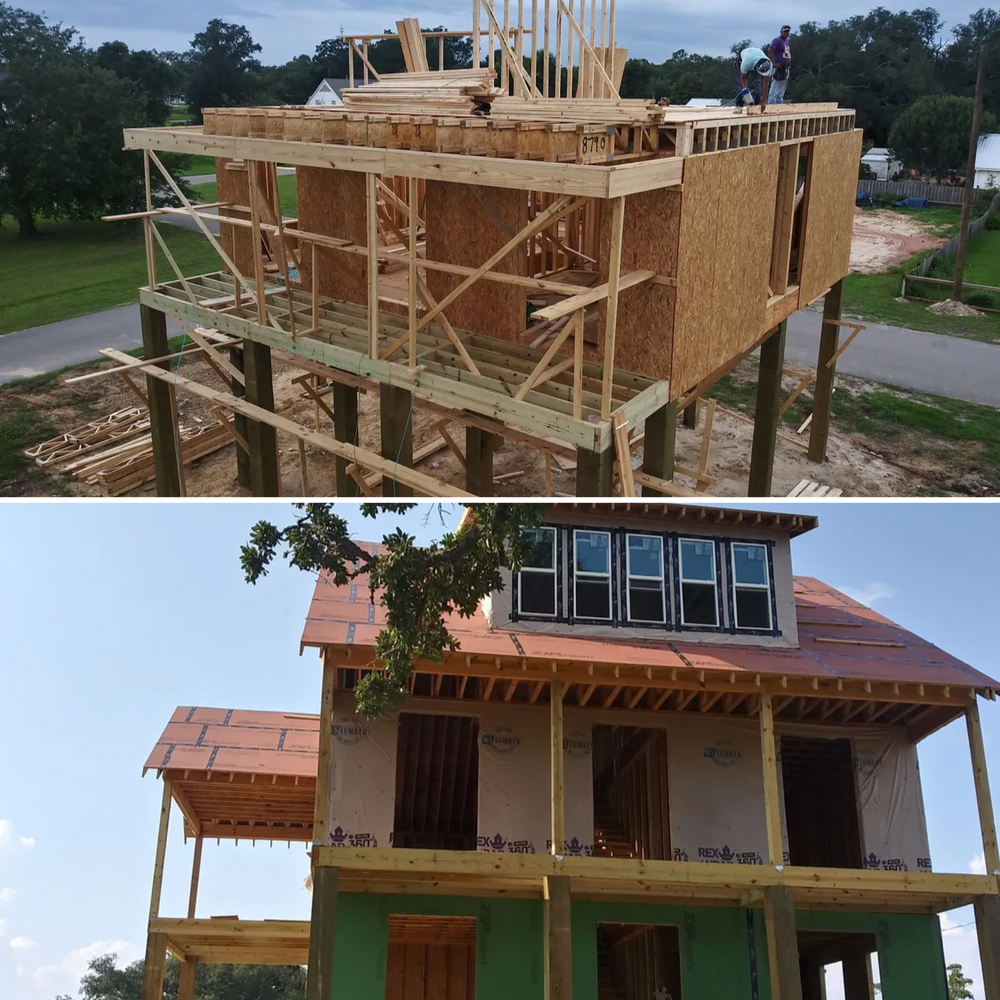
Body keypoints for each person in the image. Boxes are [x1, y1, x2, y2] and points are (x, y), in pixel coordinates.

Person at [734, 45, 772, 111]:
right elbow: (743, 77)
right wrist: (746, 92)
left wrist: (763, 102)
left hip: (756, 56)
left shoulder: (769, 65)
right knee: (740, 84)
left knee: (757, 82)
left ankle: (757, 104)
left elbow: (765, 85)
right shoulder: (746, 63)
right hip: (745, 57)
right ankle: (739, 105)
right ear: (757, 66)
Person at [768, 25, 792, 104]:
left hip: (785, 66)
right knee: (776, 84)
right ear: (781, 32)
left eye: (787, 31)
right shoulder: (777, 40)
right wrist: (773, 62)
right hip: (779, 66)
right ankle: (771, 102)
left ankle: (779, 102)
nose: (786, 33)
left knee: (782, 86)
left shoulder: (787, 42)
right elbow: (770, 50)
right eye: (785, 31)